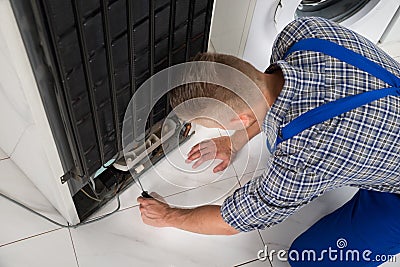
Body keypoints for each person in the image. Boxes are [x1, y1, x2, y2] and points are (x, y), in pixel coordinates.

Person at [137, 17, 400, 266]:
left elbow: (233, 221)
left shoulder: (302, 158)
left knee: (308, 257)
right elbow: (261, 98)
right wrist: (233, 141)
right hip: (384, 117)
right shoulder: (301, 33)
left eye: (211, 126)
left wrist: (168, 215)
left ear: (240, 119)